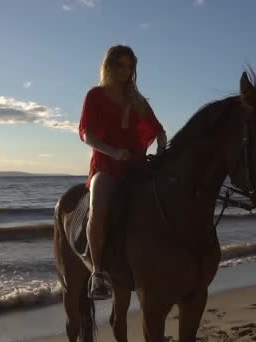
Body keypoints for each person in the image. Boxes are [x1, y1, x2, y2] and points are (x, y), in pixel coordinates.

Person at [79, 45, 167, 300]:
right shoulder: (95, 96)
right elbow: (88, 135)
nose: (125, 72)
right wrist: (113, 152)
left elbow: (157, 127)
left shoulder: (137, 100)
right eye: (120, 66)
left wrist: (162, 142)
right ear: (109, 66)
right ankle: (97, 273)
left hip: (136, 164)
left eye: (129, 67)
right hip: (106, 165)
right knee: (99, 206)